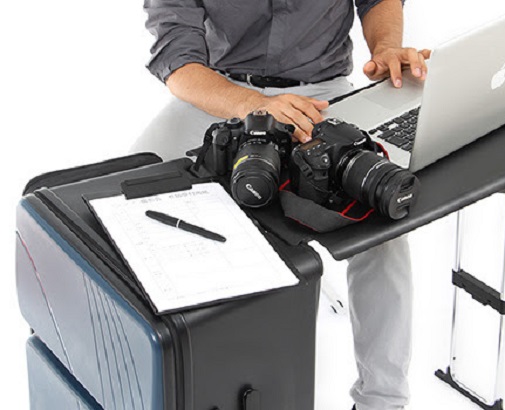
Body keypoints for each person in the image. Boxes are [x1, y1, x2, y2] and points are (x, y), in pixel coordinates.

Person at [131, 1, 430, 409]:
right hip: (222, 94)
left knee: (384, 230)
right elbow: (177, 58)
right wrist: (250, 104)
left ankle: (383, 400)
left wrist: (386, 48)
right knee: (123, 202)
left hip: (322, 96)